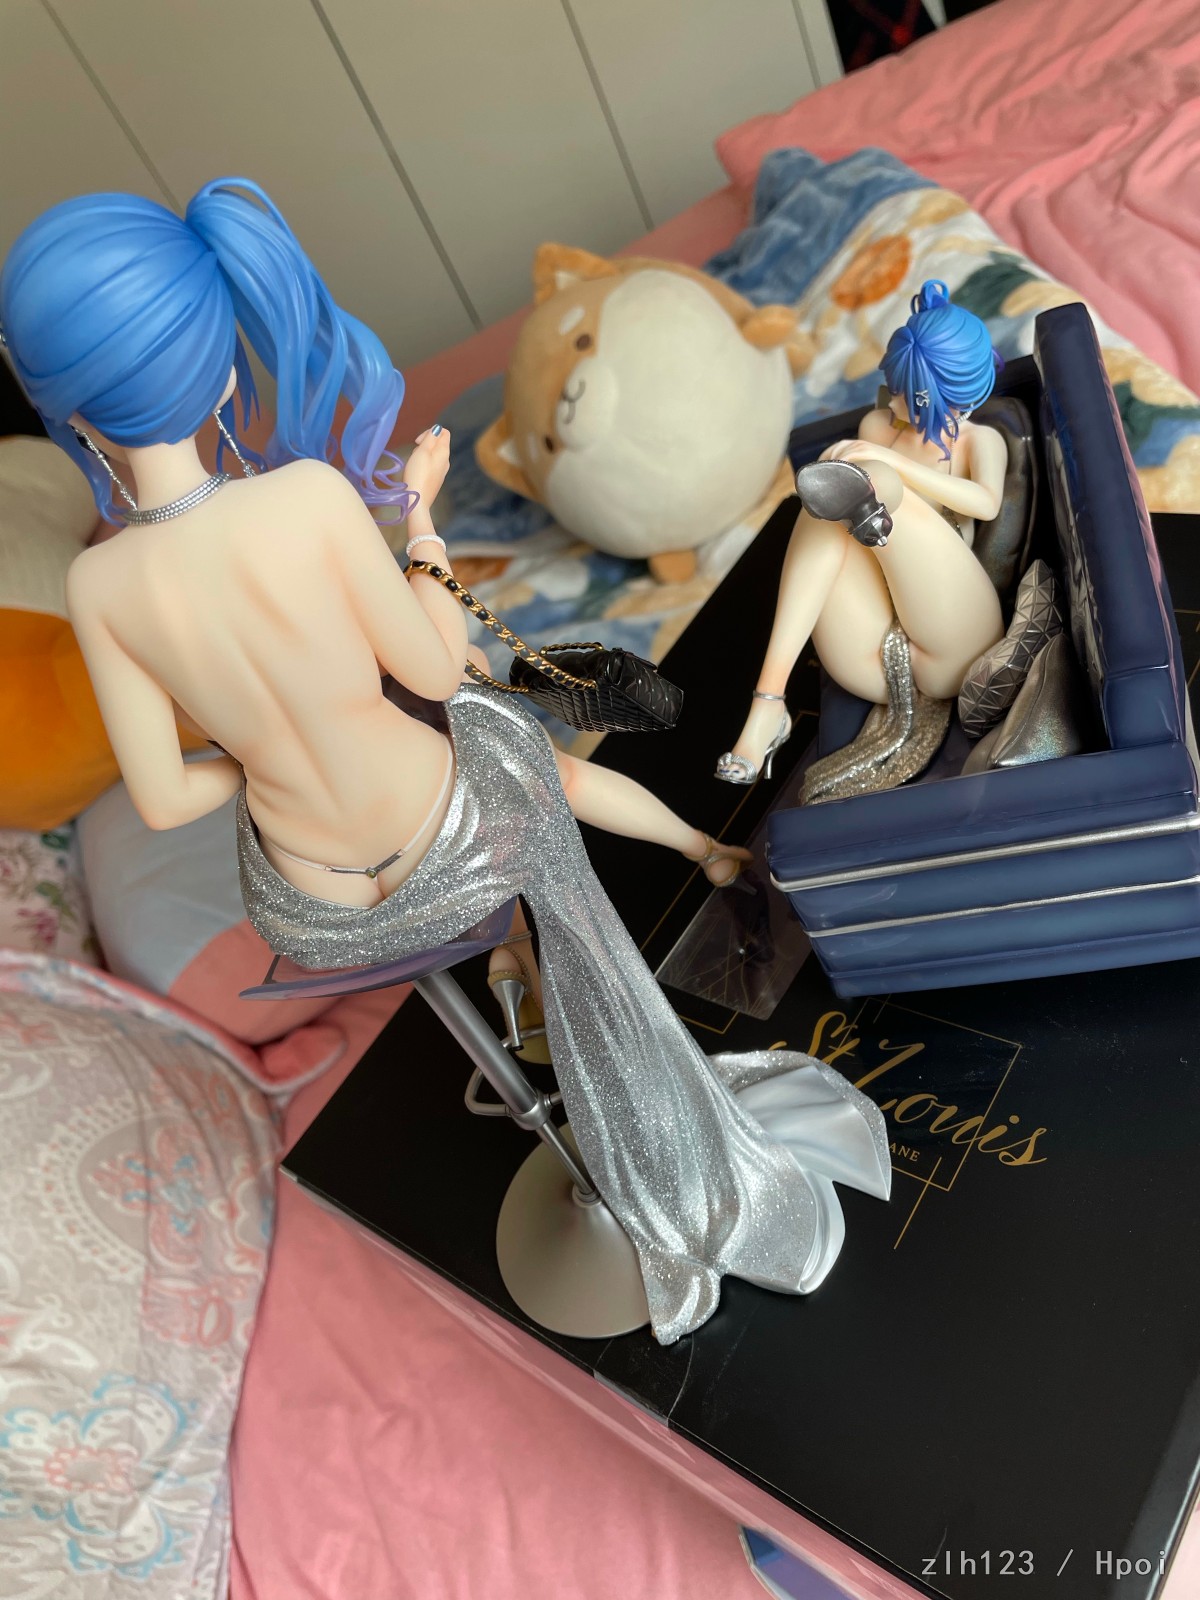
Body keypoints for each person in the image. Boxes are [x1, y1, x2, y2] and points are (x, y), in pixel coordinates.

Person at [1, 180, 888, 1344]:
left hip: (320, 915)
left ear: (71, 415)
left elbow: (162, 799)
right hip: (454, 849)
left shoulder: (97, 584)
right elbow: (428, 661)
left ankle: (516, 998)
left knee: (395, 786)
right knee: (505, 735)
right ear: (218, 375)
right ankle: (597, 972)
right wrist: (422, 524)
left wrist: (254, 752)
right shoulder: (307, 500)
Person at [716, 280, 1006, 789]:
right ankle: (768, 701)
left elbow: (986, 502)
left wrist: (890, 463)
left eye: (903, 391)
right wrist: (862, 458)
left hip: (955, 643)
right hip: (871, 660)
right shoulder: (877, 428)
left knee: (870, 480)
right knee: (827, 503)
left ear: (934, 396)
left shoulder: (978, 442)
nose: (891, 397)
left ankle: (867, 499)